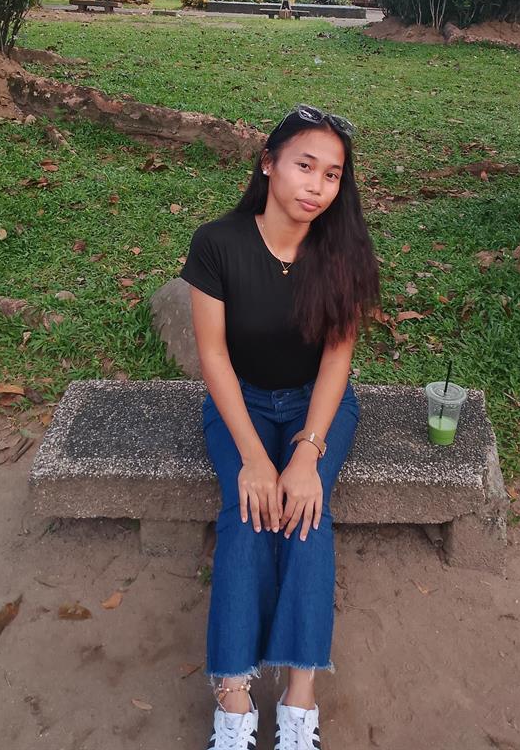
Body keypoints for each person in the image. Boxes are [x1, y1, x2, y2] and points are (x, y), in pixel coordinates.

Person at [180, 103, 381, 750]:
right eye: (304, 166)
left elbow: (337, 360)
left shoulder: (343, 249)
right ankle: (233, 700)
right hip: (238, 401)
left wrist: (306, 453)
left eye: (331, 174)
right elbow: (213, 356)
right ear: (268, 163)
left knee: (305, 511)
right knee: (246, 510)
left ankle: (299, 701)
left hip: (316, 405)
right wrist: (253, 456)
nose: (316, 186)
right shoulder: (218, 244)